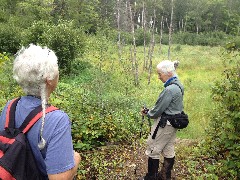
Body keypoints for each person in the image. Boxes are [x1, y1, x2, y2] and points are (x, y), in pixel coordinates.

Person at [0, 44, 81, 179]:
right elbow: (59, 178)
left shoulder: (10, 106)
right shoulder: (57, 120)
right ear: (49, 79)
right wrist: (76, 158)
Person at [139, 60, 183, 180]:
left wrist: (148, 113)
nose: (158, 77)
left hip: (165, 124)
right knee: (168, 148)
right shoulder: (178, 84)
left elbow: (157, 111)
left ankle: (151, 177)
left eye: (159, 74)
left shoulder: (169, 90)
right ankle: (164, 176)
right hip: (173, 124)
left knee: (153, 148)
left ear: (168, 73)